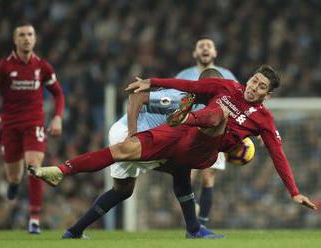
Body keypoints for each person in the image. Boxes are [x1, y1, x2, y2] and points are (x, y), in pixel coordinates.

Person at [30, 64, 316, 231]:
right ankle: (61, 170)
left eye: (261, 86)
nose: (254, 87)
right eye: (255, 80)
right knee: (122, 150)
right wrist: (152, 82)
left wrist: (293, 192)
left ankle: (187, 119)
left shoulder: (264, 119)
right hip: (179, 135)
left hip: (203, 149)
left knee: (219, 117)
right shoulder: (227, 86)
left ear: (268, 94)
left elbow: (278, 155)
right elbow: (185, 84)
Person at [56, 69, 226, 240]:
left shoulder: (211, 107)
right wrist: (132, 133)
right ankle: (194, 230)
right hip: (131, 134)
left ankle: (74, 231)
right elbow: (137, 97)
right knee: (181, 168)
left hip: (138, 135)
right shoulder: (181, 97)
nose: (220, 89)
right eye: (215, 85)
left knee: (122, 190)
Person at [0, 22, 65, 234]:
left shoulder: (42, 67)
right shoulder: (3, 67)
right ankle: (14, 183)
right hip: (10, 125)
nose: (26, 38)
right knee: (14, 175)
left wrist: (58, 117)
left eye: (30, 34)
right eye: (22, 35)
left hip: (34, 123)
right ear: (15, 40)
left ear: (35, 38)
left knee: (34, 166)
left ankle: (34, 218)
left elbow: (58, 93)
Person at [175, 37, 237, 226]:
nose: (205, 48)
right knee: (187, 173)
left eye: (209, 45)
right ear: (195, 53)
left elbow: (237, 103)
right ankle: (192, 218)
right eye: (200, 45)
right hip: (189, 130)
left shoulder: (226, 75)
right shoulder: (184, 75)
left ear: (215, 52)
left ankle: (201, 223)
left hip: (216, 132)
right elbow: (174, 100)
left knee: (208, 176)